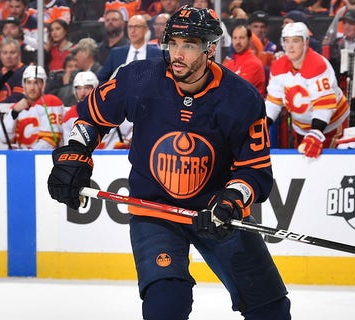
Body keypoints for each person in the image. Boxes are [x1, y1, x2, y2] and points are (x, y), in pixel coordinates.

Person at [47, 5, 291, 319]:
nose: (177, 53)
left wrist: (231, 199)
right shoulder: (139, 78)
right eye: (173, 43)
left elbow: (254, 169)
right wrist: (75, 153)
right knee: (166, 304)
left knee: (270, 308)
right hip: (155, 210)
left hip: (214, 214)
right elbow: (91, 117)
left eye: (188, 45)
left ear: (209, 49)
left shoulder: (241, 99)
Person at [265, 22, 349, 155]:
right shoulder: (278, 66)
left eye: (295, 41)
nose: (290, 46)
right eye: (287, 41)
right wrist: (262, 126)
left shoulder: (317, 65)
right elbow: (273, 102)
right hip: (300, 128)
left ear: (305, 42)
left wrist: (316, 133)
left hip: (330, 126)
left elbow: (324, 105)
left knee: (328, 168)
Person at [0, 64, 64, 149]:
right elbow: (4, 138)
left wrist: (29, 155)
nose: (32, 87)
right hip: (26, 158)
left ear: (43, 85)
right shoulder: (17, 108)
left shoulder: (51, 102)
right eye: (28, 83)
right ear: (23, 85)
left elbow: (51, 141)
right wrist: (14, 112)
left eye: (36, 82)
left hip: (45, 159)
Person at [62, 71, 132, 148]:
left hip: (113, 158)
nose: (82, 93)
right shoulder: (69, 116)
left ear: (95, 88)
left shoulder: (111, 109)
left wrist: (128, 141)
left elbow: (132, 128)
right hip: (85, 157)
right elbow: (69, 146)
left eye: (87, 88)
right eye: (79, 88)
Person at [97, 14, 163, 82]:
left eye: (137, 27)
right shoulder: (116, 53)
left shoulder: (158, 54)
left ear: (146, 29)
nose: (133, 31)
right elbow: (101, 78)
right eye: (130, 27)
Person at [223, 23, 266, 97]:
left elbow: (238, 91)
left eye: (242, 38)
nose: (238, 42)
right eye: (235, 38)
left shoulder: (254, 64)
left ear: (249, 40)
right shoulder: (229, 64)